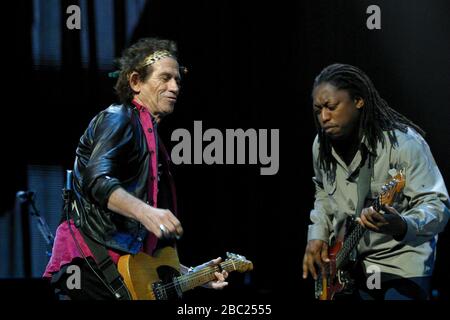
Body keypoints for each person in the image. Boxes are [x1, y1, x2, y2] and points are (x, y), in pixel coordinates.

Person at [43, 38, 228, 300]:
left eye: (177, 80)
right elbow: (96, 180)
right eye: (165, 78)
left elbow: (135, 246)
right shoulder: (117, 117)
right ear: (135, 82)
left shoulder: (152, 139)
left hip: (116, 267)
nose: (174, 87)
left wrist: (191, 274)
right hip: (89, 266)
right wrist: (145, 211)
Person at [302, 63, 450, 300]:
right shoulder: (321, 146)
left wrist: (402, 225)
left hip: (401, 265)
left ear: (359, 101)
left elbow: (437, 205)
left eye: (331, 107)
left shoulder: (403, 144)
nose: (324, 117)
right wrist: (317, 234)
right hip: (350, 266)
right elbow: (322, 192)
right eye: (318, 109)